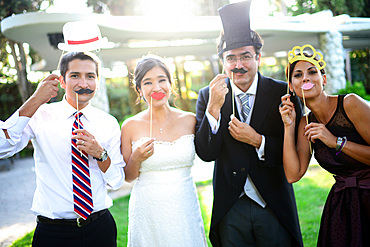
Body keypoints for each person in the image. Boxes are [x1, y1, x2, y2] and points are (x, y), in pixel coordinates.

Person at [195, 1, 304, 246]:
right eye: (231, 58)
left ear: (258, 57)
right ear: (223, 61)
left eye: (245, 56)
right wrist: (213, 107)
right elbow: (205, 153)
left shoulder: (283, 93)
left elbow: (295, 153)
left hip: (272, 202)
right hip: (231, 205)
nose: (238, 65)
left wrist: (258, 140)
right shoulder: (208, 95)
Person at [0, 52, 125, 247]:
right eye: (75, 75)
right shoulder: (40, 115)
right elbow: (2, 147)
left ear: (98, 82)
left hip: (99, 228)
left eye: (90, 76)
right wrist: (35, 99)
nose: (83, 83)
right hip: (53, 233)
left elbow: (117, 181)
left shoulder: (108, 123)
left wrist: (100, 154)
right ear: (62, 81)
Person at [279, 44, 370, 247]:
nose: (306, 78)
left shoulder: (350, 104)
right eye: (298, 74)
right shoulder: (304, 122)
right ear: (291, 86)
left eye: (312, 72)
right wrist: (288, 126)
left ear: (324, 79)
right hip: (343, 205)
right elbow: (293, 174)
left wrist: (335, 142)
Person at [121, 55, 207, 246]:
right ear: (139, 90)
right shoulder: (130, 126)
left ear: (170, 83)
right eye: (148, 82)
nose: (157, 87)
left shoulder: (190, 120)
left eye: (162, 80)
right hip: (148, 208)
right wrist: (136, 158)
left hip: (184, 204)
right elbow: (128, 177)